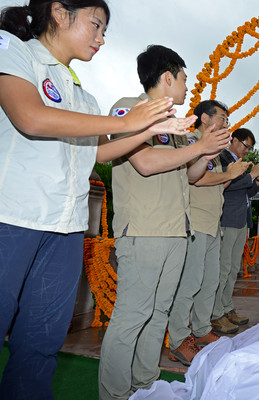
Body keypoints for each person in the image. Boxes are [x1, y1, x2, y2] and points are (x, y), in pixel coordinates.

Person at [0, 2, 196, 398]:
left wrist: (149, 128)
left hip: (66, 229)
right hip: (13, 218)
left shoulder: (84, 97)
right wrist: (129, 123)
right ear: (59, 12)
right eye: (96, 25)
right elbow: (30, 117)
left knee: (40, 343)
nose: (101, 38)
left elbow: (100, 153)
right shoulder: (13, 51)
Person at [97, 47, 230, 400]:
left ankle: (145, 384)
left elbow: (190, 176)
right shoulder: (129, 109)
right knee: (132, 315)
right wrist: (196, 146)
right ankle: (114, 393)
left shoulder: (178, 126)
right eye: (184, 78)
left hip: (175, 231)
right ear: (167, 77)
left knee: (158, 314)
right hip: (143, 229)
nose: (187, 87)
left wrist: (204, 151)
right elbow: (144, 162)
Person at [167, 100, 249, 366]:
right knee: (189, 283)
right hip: (195, 222)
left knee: (209, 281)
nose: (226, 123)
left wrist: (229, 176)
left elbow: (216, 187)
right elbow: (196, 179)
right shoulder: (190, 142)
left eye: (227, 119)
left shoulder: (215, 151)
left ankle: (201, 331)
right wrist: (229, 174)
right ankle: (179, 339)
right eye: (223, 118)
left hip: (214, 223)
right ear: (204, 118)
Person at [214, 128, 259, 329]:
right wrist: (250, 176)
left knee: (233, 269)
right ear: (235, 140)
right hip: (226, 219)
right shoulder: (220, 158)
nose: (248, 151)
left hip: (241, 220)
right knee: (223, 268)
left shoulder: (241, 163)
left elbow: (248, 192)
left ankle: (227, 307)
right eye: (246, 146)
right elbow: (223, 184)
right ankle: (216, 312)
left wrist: (256, 179)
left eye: (250, 148)